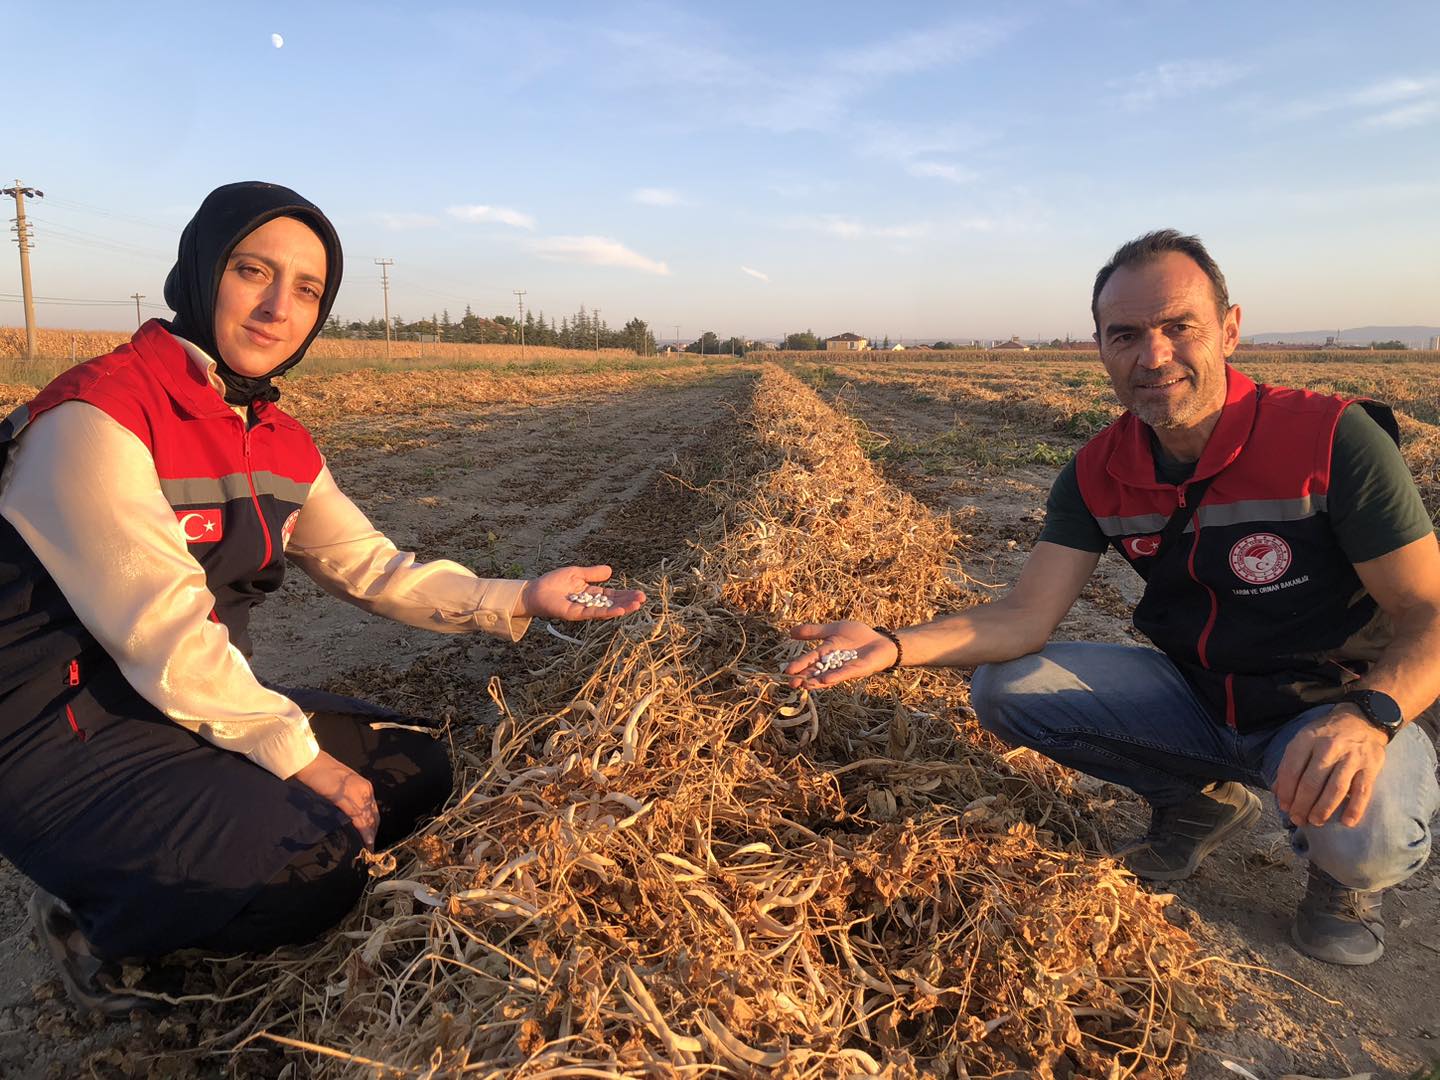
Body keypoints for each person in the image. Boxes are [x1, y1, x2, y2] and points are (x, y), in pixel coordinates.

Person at [0, 181, 646, 1016]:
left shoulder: (272, 435)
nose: (277, 307)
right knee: (305, 866)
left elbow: (372, 567)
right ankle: (98, 926)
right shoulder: (99, 415)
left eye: (306, 290)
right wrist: (298, 755)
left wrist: (520, 595)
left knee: (421, 765)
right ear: (201, 272)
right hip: (63, 734)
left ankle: (177, 841)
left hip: (186, 712)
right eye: (251, 271)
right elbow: (162, 635)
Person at [786, 230, 1440, 967]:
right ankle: (1196, 803)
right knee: (1008, 689)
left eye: (1177, 327)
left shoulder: (1330, 439)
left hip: (1330, 703)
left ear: (1229, 329)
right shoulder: (1098, 471)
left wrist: (1372, 715)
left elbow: (1428, 611)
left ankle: (1341, 879)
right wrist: (897, 644)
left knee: (1370, 835)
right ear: (1098, 347)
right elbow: (1022, 617)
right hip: (1197, 696)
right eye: (1125, 334)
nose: (1152, 355)